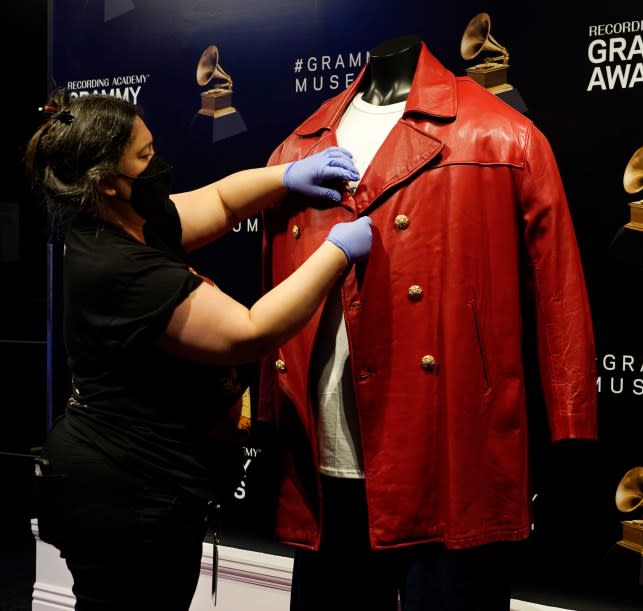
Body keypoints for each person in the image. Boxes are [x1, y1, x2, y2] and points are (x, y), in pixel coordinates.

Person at [259, 36, 598, 611]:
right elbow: (276, 294)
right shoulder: (299, 145)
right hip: (328, 448)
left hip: (451, 447)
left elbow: (558, 288)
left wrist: (571, 419)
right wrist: (269, 411)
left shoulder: (501, 133)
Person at [24, 90, 372, 611]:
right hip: (126, 494)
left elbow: (221, 202)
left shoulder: (118, 219)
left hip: (135, 481)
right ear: (107, 183)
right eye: (143, 157)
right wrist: (336, 252)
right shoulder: (115, 264)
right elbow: (248, 331)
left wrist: (285, 177)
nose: (158, 165)